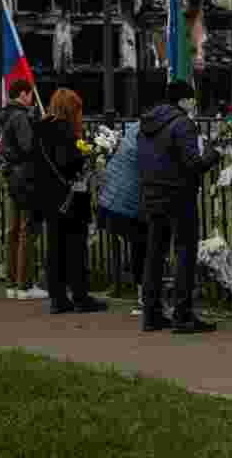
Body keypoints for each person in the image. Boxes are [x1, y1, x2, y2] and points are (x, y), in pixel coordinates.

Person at [139, 80, 220, 334]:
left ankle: (151, 313)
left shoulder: (147, 124)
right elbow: (193, 163)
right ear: (184, 100)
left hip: (152, 192)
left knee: (155, 252)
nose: (194, 103)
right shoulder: (182, 123)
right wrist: (213, 153)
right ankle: (182, 315)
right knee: (185, 251)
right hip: (178, 194)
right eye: (192, 99)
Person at [27, 88, 105, 314]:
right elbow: (68, 163)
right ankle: (80, 295)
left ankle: (58, 297)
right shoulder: (66, 132)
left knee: (54, 248)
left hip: (48, 196)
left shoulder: (40, 129)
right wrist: (85, 160)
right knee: (75, 247)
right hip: (70, 197)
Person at [0, 79, 47, 301]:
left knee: (12, 231)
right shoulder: (21, 116)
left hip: (11, 175)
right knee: (27, 230)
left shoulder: (5, 115)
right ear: (24, 94)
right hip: (26, 177)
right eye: (30, 95)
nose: (31, 99)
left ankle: (11, 283)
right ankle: (25, 284)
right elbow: (29, 146)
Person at [97, 121, 147, 316]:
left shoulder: (134, 129)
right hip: (133, 198)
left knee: (138, 245)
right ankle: (146, 298)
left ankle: (142, 296)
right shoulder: (151, 133)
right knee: (144, 245)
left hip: (114, 196)